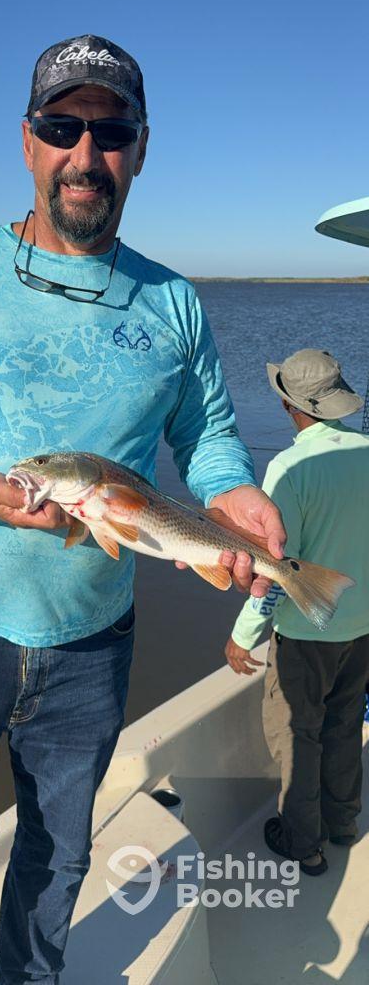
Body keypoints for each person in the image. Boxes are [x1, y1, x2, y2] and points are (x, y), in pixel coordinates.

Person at [0, 34, 285, 985]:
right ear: (29, 142)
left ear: (141, 147)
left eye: (110, 130)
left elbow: (203, 436)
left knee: (53, 875)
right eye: (62, 127)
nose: (86, 154)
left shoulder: (173, 302)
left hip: (91, 652)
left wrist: (233, 489)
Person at [225, 349, 369, 876]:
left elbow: (273, 567)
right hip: (362, 631)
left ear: (290, 407)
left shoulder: (289, 467)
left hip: (305, 635)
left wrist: (243, 636)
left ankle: (302, 843)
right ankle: (345, 820)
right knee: (345, 722)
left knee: (298, 734)